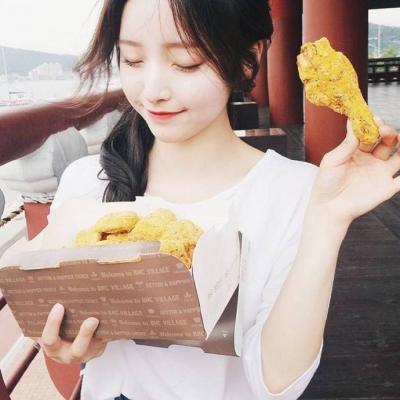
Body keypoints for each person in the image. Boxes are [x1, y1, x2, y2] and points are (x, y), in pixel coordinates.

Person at [38, 1, 400, 399]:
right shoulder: (86, 185)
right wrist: (64, 344)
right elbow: (55, 330)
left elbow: (276, 384)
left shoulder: (297, 191)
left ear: (246, 60)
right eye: (133, 60)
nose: (153, 91)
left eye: (186, 62)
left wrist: (328, 219)